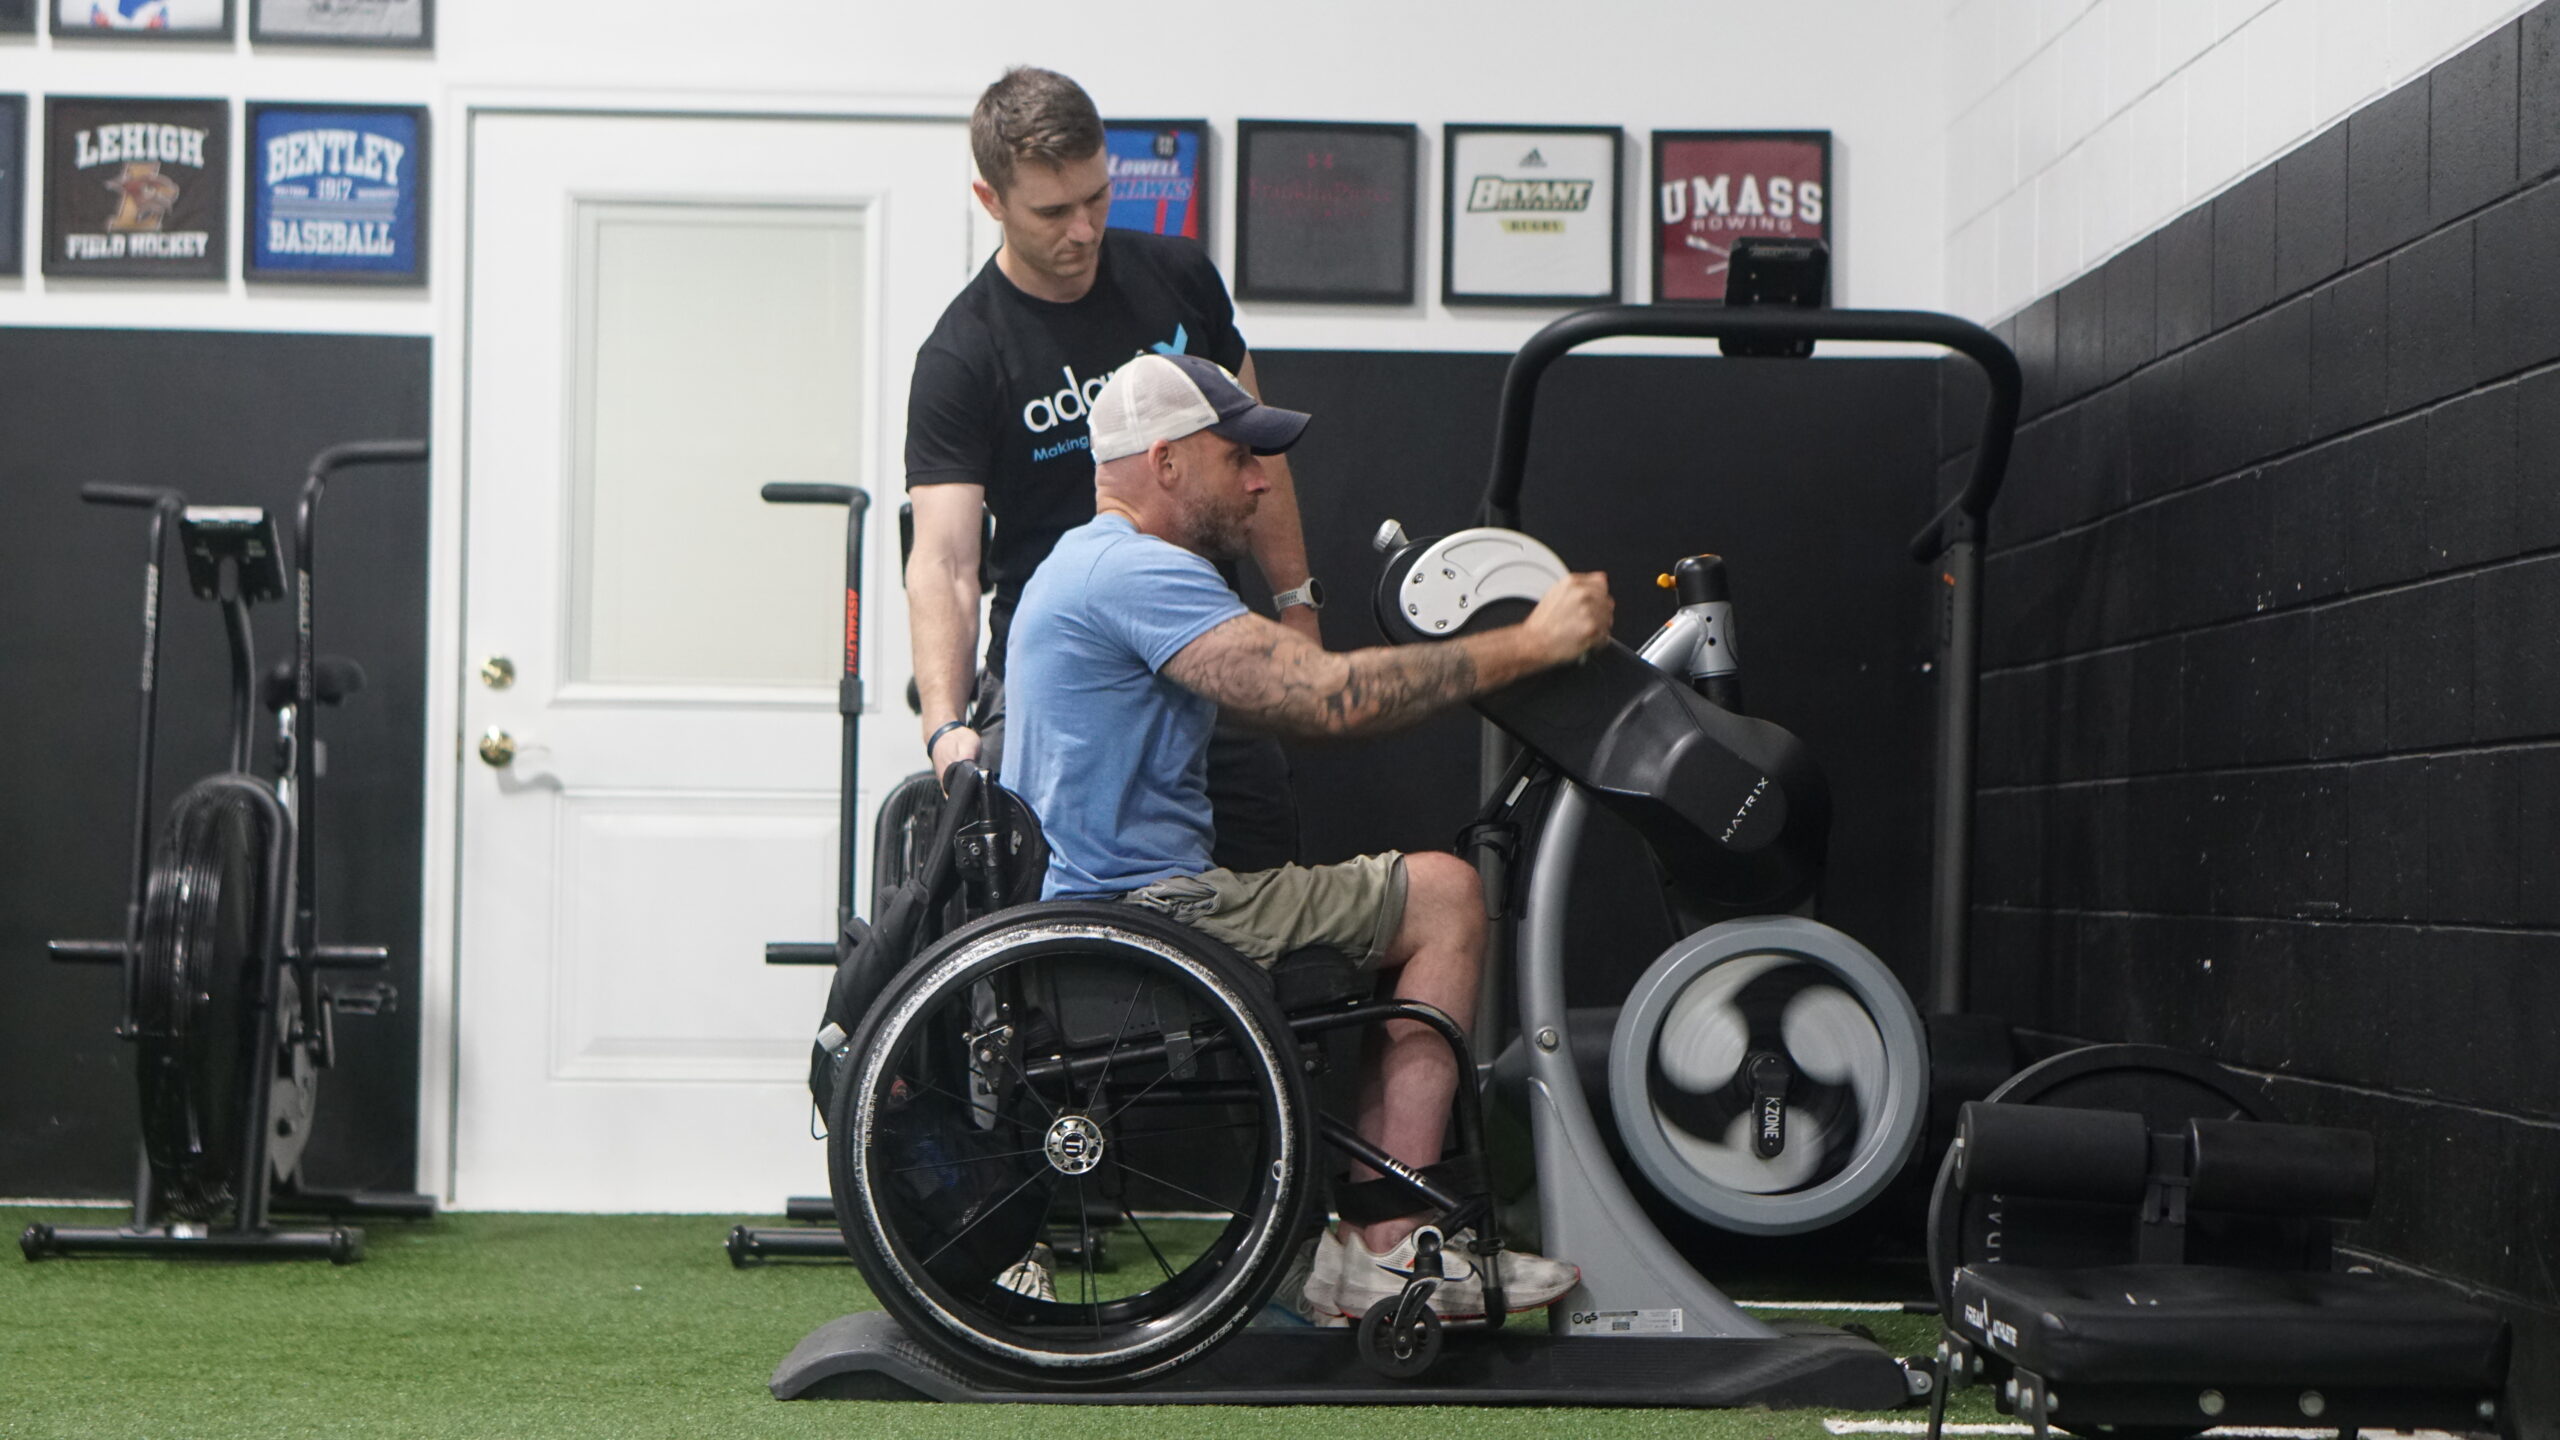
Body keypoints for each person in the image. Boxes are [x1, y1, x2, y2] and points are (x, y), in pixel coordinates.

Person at [1005, 351, 1612, 1325]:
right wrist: (1531, 644)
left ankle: (1372, 1234)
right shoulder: (1138, 570)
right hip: (1144, 921)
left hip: (1105, 911)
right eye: (1237, 455)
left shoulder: (1077, 565)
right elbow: (1329, 698)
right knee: (1447, 894)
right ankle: (1385, 1247)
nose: (1257, 478)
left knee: (1406, 893)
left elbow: (1289, 697)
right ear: (1164, 463)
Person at [905, 66, 1313, 871]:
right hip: (1062, 679)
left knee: (1264, 887)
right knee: (1059, 909)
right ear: (991, 201)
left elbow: (1253, 456)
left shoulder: (1179, 279)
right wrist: (946, 727)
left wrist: (1298, 605)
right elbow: (946, 561)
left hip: (1202, 642)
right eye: (1054, 212)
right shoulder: (963, 354)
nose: (1085, 230)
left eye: (1097, 198)